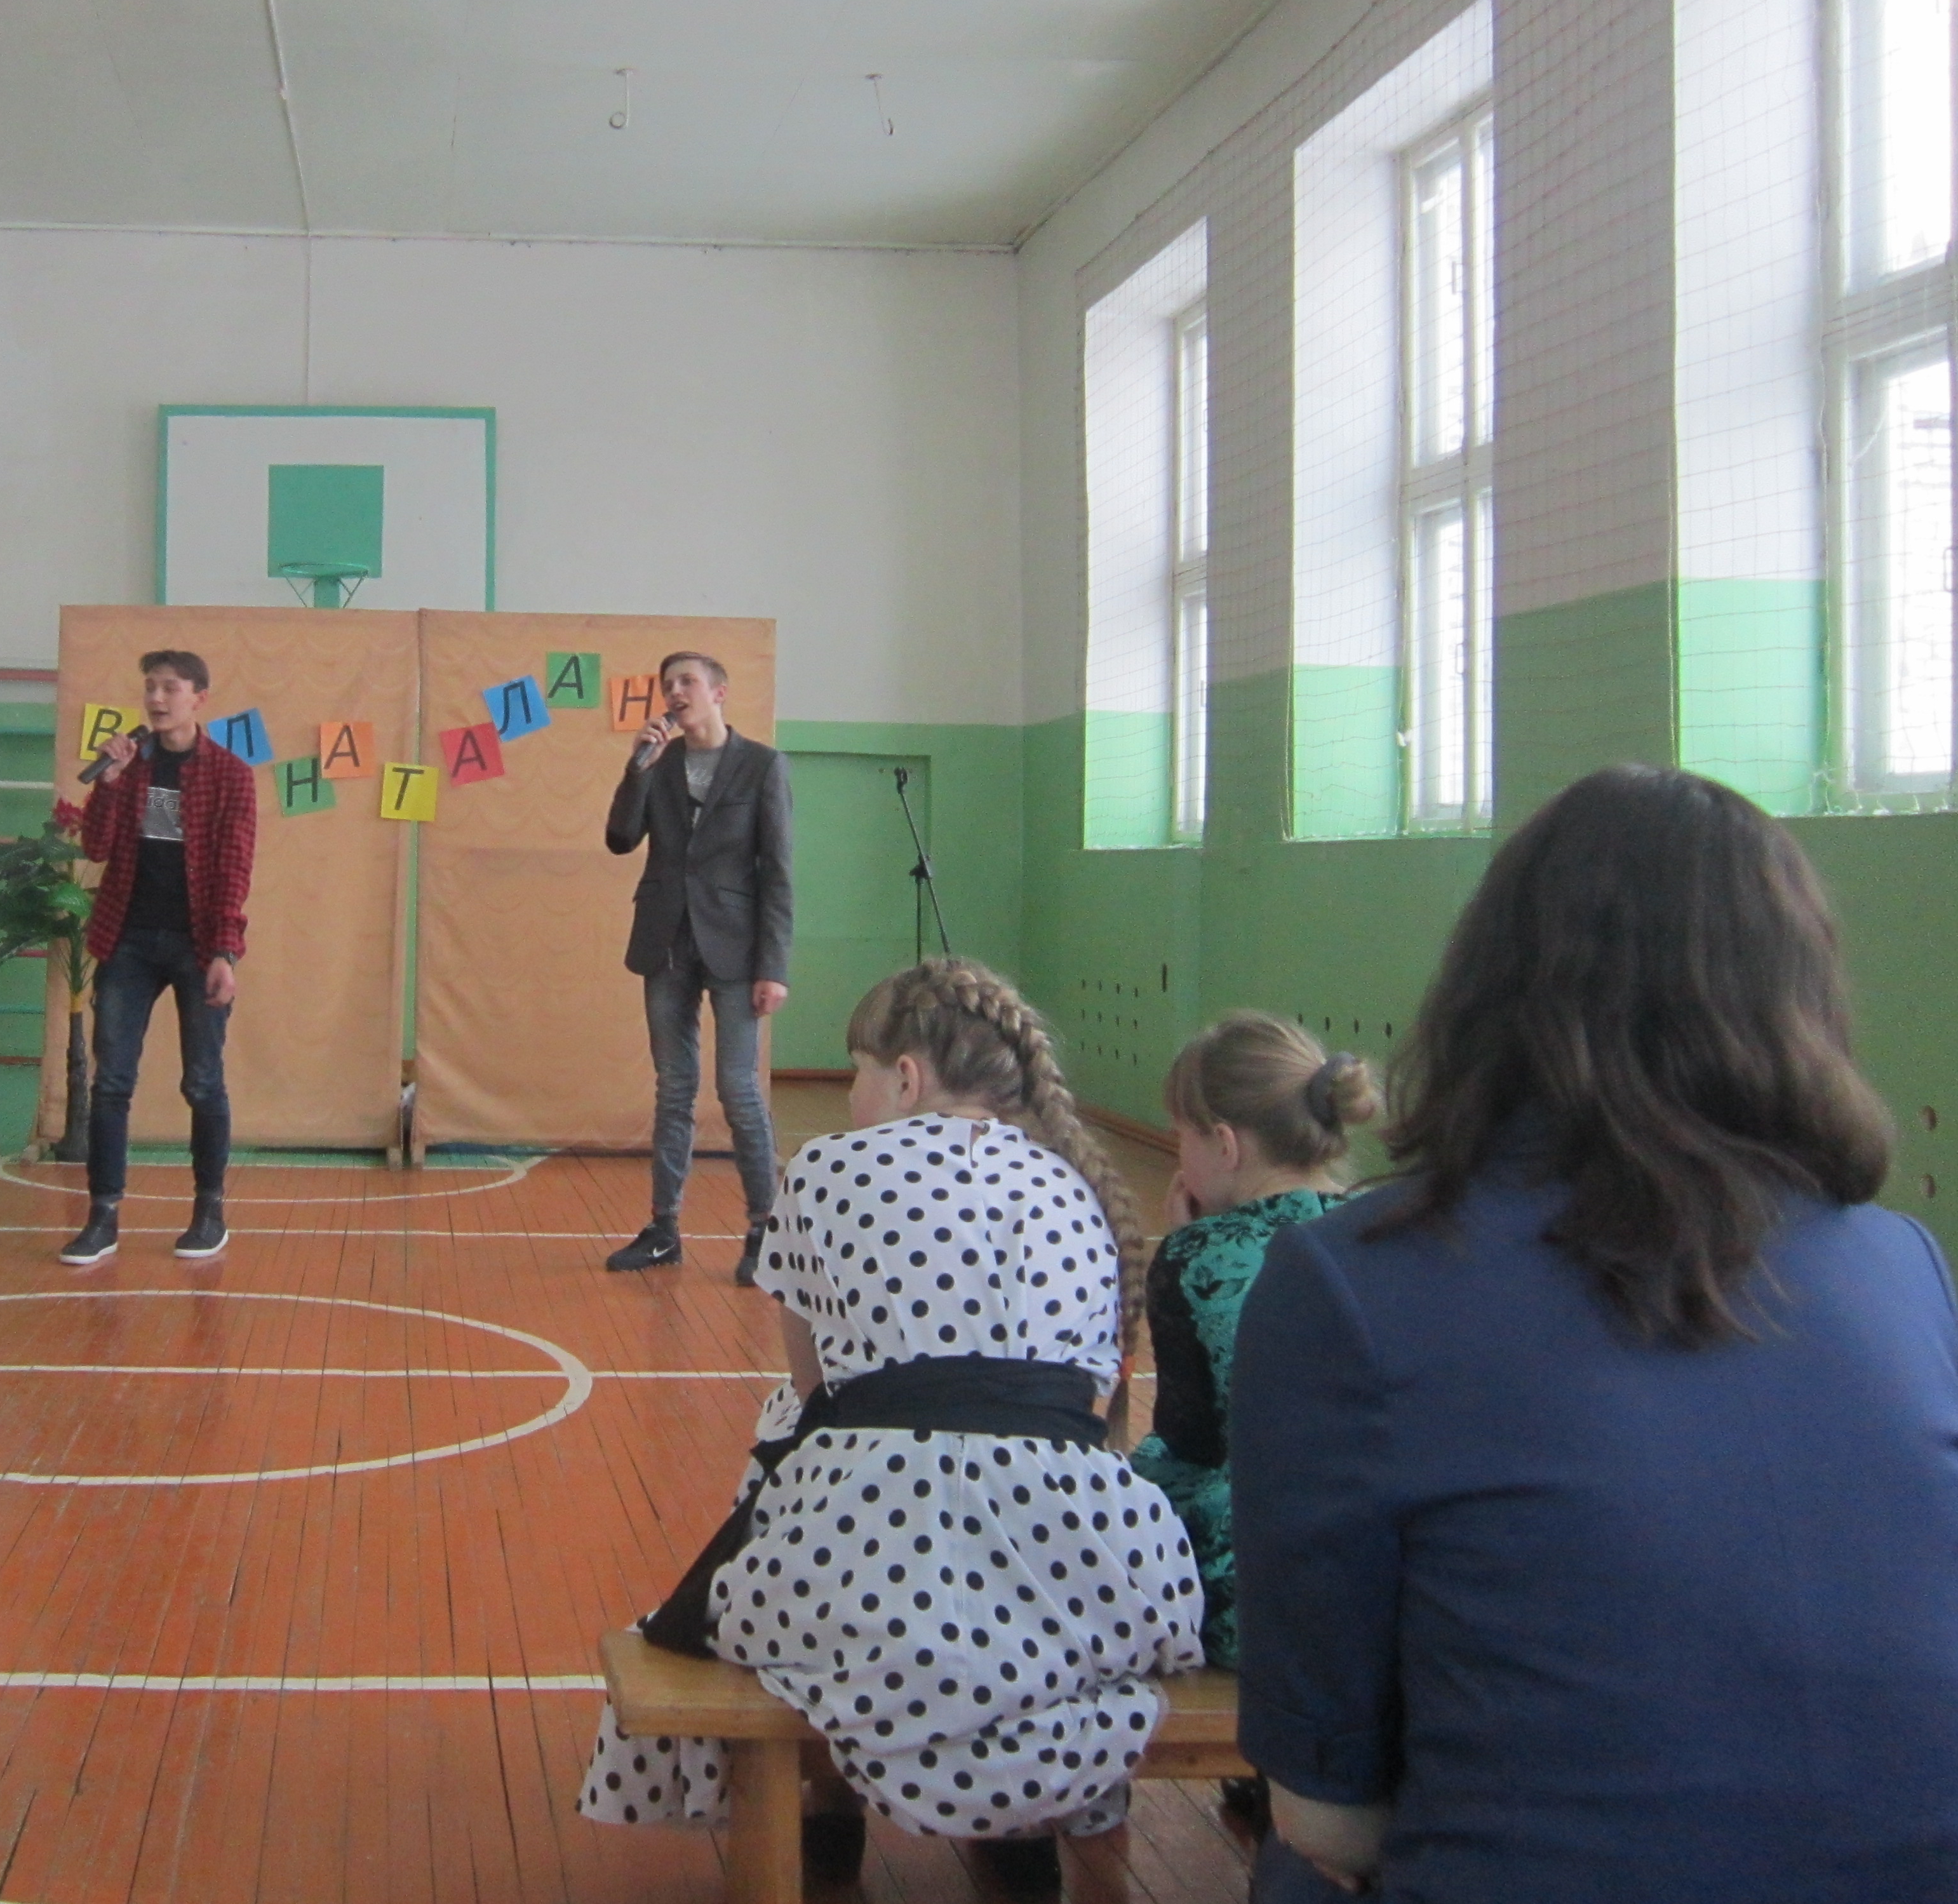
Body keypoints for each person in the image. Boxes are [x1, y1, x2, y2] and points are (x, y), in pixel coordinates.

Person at [1232, 765, 1958, 1902]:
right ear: (1803, 996)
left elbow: (1327, 1814)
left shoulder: (1347, 1284)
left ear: (1486, 984)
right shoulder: (1903, 1264)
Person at [578, 958, 1202, 1893]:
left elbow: (813, 1390)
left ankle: (828, 1809)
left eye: (856, 1073)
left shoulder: (826, 1167)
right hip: (1089, 1551)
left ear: (905, 1078)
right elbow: (1083, 1403)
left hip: (873, 1563)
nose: (851, 1095)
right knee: (1000, 1579)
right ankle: (1026, 1830)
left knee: (797, 1459)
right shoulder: (1079, 1188)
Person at [1131, 1014, 1372, 1673]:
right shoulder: (1380, 1230)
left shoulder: (1199, 1257)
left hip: (1268, 1588)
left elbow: (1190, 1441)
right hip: (1384, 1567)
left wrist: (1186, 1244)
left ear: (1225, 1144)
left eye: (1181, 1136)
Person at [603, 650, 793, 1282]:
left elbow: (778, 871)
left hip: (736, 946)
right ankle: (664, 1230)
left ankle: (766, 1233)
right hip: (665, 940)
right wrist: (637, 766)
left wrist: (774, 966)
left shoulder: (762, 765)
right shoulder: (658, 763)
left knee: (739, 1089)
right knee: (674, 1089)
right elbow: (620, 839)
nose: (675, 692)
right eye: (668, 685)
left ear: (719, 692)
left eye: (687, 682)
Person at [65, 649, 257, 1266]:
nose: (156, 698)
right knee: (112, 1082)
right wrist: (111, 784)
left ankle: (209, 1211)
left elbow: (233, 869)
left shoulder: (229, 775)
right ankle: (103, 1217)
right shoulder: (133, 765)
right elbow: (97, 846)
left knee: (202, 1081)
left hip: (197, 943)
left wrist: (224, 951)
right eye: (150, 687)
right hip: (128, 939)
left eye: (170, 688)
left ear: (199, 698)